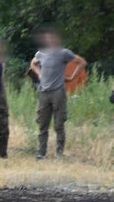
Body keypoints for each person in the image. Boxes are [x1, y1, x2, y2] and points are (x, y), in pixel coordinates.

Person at [30, 29, 86, 159]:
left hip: (58, 92)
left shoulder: (63, 53)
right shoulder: (41, 53)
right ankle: (41, 153)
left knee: (59, 124)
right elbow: (33, 64)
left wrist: (72, 77)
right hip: (43, 92)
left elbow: (82, 62)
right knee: (42, 124)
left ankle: (59, 153)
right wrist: (39, 73)